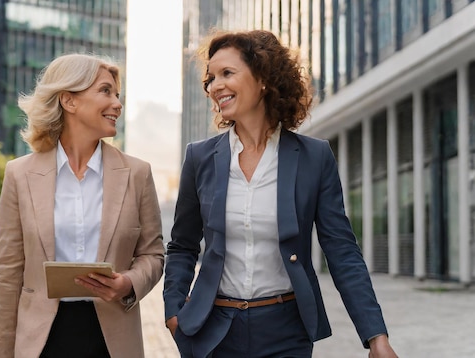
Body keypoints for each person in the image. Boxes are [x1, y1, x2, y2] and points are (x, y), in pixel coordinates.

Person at [163, 29, 398, 358]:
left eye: (227, 73)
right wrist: (174, 312)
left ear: (263, 78)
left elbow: (342, 252)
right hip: (213, 330)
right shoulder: (199, 157)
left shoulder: (314, 158)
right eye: (211, 78)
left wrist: (376, 336)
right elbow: (182, 246)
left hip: (286, 331)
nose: (215, 86)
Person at [0, 53, 165, 358]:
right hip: (40, 341)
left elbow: (153, 254)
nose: (117, 104)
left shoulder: (137, 174)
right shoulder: (19, 174)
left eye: (117, 94)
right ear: (69, 101)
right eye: (105, 91)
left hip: (112, 341)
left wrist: (128, 284)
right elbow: (9, 274)